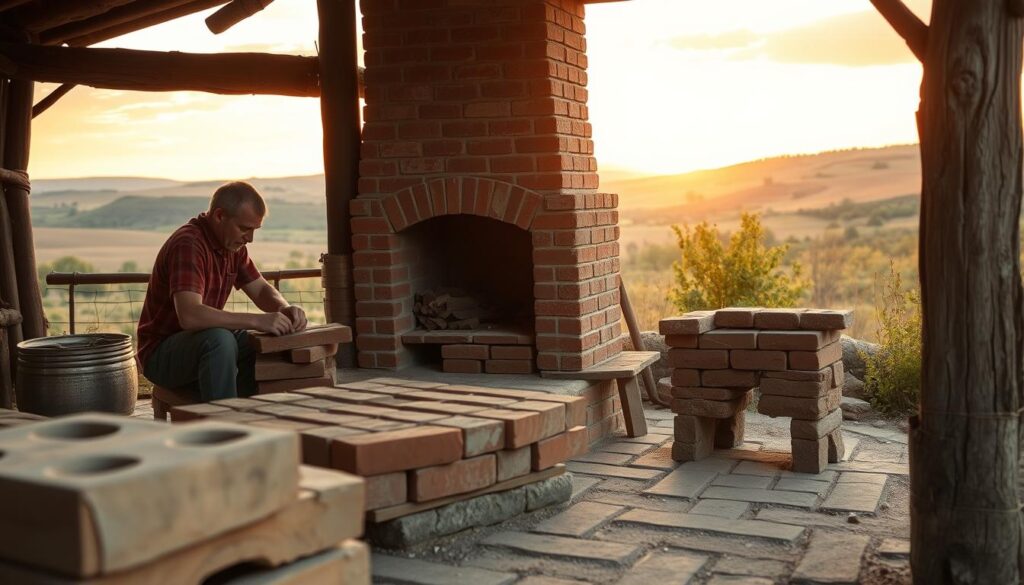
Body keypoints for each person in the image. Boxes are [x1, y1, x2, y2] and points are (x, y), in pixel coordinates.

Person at [136, 181, 307, 401]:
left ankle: (247, 408)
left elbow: (261, 289)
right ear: (219, 216)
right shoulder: (189, 244)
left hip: (198, 342)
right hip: (161, 355)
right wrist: (257, 320)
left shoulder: (233, 246)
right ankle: (225, 422)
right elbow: (190, 315)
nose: (250, 239)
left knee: (263, 339)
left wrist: (284, 309)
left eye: (254, 230)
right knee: (220, 340)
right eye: (245, 228)